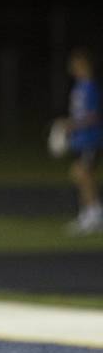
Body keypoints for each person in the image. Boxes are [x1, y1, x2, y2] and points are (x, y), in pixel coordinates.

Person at [65, 47, 103, 234]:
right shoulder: (79, 87)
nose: (72, 67)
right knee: (80, 175)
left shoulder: (91, 87)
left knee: (83, 175)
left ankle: (94, 215)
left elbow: (94, 116)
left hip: (90, 139)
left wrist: (71, 124)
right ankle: (88, 213)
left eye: (76, 63)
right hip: (80, 140)